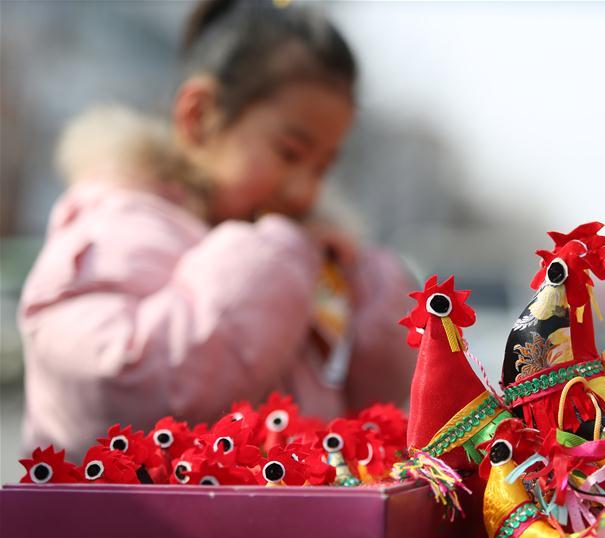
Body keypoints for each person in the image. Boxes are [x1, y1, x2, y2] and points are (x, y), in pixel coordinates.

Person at [19, 0, 415, 465]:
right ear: (199, 115)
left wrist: (366, 294)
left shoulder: (293, 256)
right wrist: (276, 259)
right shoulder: (113, 227)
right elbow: (114, 391)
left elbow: (360, 411)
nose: (307, 192)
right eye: (289, 153)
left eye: (324, 166)